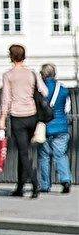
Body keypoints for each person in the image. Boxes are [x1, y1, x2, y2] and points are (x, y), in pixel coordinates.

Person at [0, 43, 43, 200]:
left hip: (17, 116)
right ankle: (20, 186)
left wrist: (2, 119)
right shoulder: (32, 73)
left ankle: (35, 183)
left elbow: (6, 99)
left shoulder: (8, 75)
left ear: (11, 57)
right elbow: (44, 91)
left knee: (23, 152)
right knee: (23, 151)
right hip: (32, 115)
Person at [37, 64, 73, 195]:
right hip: (62, 127)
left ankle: (45, 185)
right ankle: (66, 180)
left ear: (43, 75)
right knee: (61, 155)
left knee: (44, 156)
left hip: (45, 128)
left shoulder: (41, 90)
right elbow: (67, 109)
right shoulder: (63, 89)